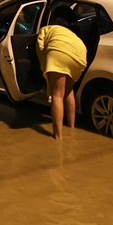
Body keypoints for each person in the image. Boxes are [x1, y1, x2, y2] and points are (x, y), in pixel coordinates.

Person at [35, 8, 88, 141]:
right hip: (80, 56)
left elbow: (41, 50)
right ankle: (71, 128)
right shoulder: (72, 34)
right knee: (68, 92)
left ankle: (57, 136)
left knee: (57, 95)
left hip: (58, 52)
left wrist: (45, 71)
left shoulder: (46, 29)